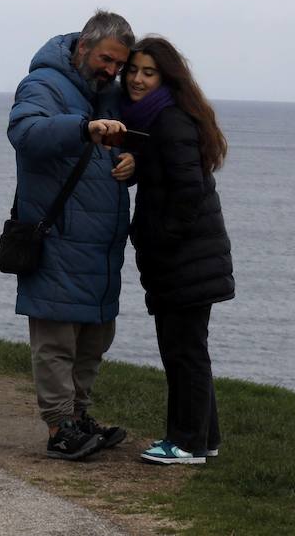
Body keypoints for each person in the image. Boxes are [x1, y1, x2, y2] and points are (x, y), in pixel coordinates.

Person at [8, 9, 137, 461]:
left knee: (93, 340)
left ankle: (81, 416)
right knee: (57, 341)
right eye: (107, 59)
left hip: (100, 246)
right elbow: (24, 132)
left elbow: (120, 148)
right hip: (59, 239)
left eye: (120, 65)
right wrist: (82, 128)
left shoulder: (108, 93)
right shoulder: (42, 85)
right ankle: (59, 426)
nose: (113, 71)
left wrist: (131, 162)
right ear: (83, 47)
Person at [121, 37, 234, 465]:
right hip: (187, 257)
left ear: (166, 78)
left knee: (182, 350)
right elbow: (166, 173)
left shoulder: (168, 121)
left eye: (148, 72)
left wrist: (160, 238)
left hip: (184, 258)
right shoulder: (156, 121)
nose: (136, 79)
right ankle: (206, 437)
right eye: (133, 70)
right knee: (189, 349)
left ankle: (185, 443)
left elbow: (187, 191)